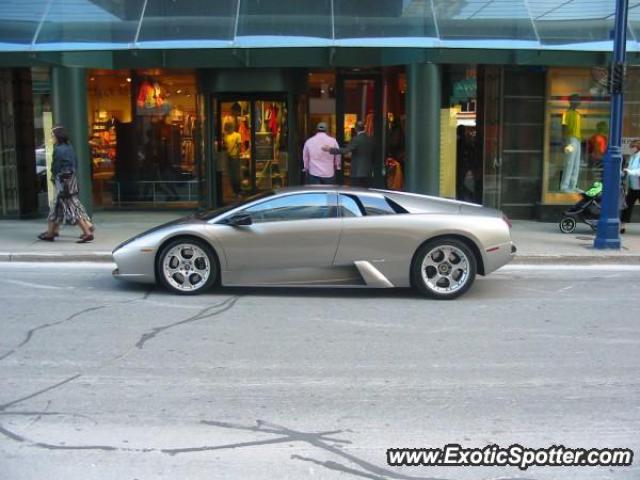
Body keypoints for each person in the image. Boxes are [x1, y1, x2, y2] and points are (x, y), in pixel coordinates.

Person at [38, 126, 95, 243]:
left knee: (70, 206)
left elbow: (56, 167)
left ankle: (87, 231)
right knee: (58, 207)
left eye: (53, 135)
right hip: (70, 179)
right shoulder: (69, 147)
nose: (52, 138)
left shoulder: (58, 150)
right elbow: (75, 163)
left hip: (63, 182)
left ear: (58, 136)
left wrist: (54, 177)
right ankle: (52, 232)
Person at [324, 120, 374, 188]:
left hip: (357, 171)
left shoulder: (356, 139)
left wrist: (330, 149)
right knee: (366, 192)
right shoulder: (370, 138)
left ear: (356, 128)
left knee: (355, 191)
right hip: (368, 171)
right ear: (364, 128)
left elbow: (345, 150)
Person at [560, 93, 582, 192]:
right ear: (571, 101)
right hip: (570, 139)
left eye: (578, 100)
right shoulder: (566, 113)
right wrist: (564, 141)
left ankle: (573, 186)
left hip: (577, 139)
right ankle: (564, 186)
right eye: (576, 99)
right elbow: (563, 127)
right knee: (569, 162)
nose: (578, 102)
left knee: (576, 163)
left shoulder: (578, 114)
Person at [620, 140, 640, 234]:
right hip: (632, 187)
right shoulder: (632, 157)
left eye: (632, 147)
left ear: (637, 147)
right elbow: (628, 171)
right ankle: (622, 227)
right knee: (626, 207)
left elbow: (638, 171)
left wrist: (629, 171)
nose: (631, 149)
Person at [223, 121, 243, 199]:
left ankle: (238, 191)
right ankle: (235, 191)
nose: (228, 130)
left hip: (234, 157)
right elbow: (225, 146)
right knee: (231, 175)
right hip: (228, 157)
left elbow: (239, 146)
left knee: (236, 175)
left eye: (229, 128)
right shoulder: (226, 136)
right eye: (227, 128)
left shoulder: (237, 135)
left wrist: (236, 155)